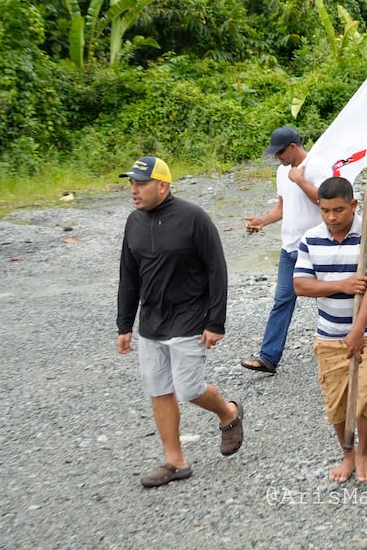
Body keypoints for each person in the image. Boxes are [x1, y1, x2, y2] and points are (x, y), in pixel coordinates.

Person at [115, 156, 244, 488]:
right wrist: (124, 325)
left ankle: (229, 413)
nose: (134, 190)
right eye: (131, 183)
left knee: (189, 388)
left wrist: (216, 321)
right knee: (158, 389)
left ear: (163, 185)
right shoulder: (133, 222)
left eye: (140, 183)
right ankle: (175, 461)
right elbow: (128, 277)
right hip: (152, 323)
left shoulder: (193, 218)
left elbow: (218, 270)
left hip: (189, 318)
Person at [293, 177, 367, 483]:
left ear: (354, 205)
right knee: (337, 402)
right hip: (328, 335)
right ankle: (347, 453)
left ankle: (363, 451)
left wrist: (358, 331)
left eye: (338, 210)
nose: (331, 217)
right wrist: (342, 284)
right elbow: (300, 285)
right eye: (325, 210)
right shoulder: (310, 239)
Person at [241, 126, 329, 375]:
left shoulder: (319, 166)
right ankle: (268, 358)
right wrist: (262, 221)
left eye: (279, 152)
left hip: (316, 247)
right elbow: (283, 206)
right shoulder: (282, 172)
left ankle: (345, 345)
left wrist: (301, 180)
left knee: (329, 297)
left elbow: (325, 200)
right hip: (289, 248)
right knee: (282, 302)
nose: (276, 158)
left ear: (293, 147)